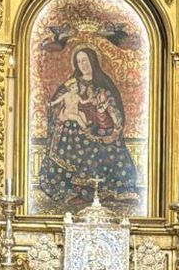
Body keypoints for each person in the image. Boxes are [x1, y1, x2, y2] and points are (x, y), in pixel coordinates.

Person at [38, 45, 141, 211]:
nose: (82, 64)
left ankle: (110, 191)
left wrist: (111, 130)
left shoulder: (103, 85)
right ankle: (78, 192)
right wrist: (61, 114)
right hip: (77, 133)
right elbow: (57, 104)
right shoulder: (71, 84)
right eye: (78, 61)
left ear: (92, 61)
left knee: (112, 152)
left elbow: (114, 111)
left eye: (85, 60)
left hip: (100, 131)